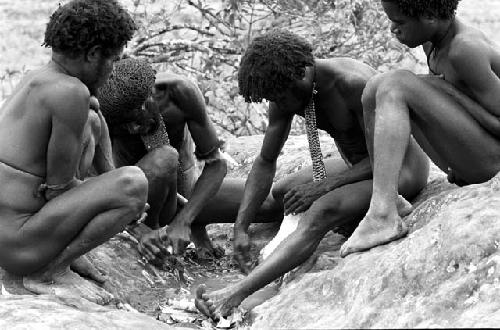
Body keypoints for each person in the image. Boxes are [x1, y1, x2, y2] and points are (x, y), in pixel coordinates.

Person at [194, 29, 430, 320]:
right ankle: (188, 212)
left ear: (301, 74)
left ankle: (235, 294)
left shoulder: (351, 84)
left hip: (398, 170)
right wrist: (241, 228)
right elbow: (266, 160)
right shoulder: (285, 90)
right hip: (356, 164)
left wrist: (324, 188)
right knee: (283, 194)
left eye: (278, 97)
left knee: (320, 210)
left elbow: (383, 157)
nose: (276, 104)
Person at [0, 0, 148, 304]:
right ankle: (50, 271)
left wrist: (100, 189)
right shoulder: (70, 93)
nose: (113, 70)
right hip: (17, 243)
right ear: (93, 54)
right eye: (114, 60)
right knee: (133, 185)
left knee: (92, 119)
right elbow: (58, 192)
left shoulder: (37, 76)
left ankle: (57, 248)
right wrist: (113, 197)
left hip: (11, 231)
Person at [340, 0, 500, 257]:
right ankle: (387, 197)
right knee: (374, 87)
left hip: (493, 165)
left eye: (399, 22)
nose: (393, 29)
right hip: (470, 160)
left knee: (396, 85)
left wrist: (449, 92)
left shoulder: (464, 50)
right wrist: (441, 90)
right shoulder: (433, 42)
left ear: (429, 16)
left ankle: (382, 217)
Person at [98, 59, 283, 261]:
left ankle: (189, 224)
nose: (133, 129)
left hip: (184, 194)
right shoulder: (103, 110)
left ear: (150, 94)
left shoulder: (179, 92)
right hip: (139, 203)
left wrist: (185, 220)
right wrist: (137, 229)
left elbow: (217, 164)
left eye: (135, 118)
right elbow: (100, 183)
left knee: (273, 203)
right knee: (165, 158)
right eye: (124, 125)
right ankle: (156, 238)